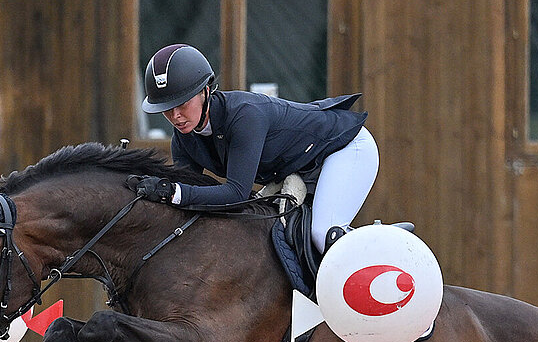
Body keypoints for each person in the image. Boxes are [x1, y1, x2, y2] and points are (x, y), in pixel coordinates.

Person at [132, 43, 379, 254]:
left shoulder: (244, 116)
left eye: (183, 104)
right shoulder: (183, 138)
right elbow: (192, 194)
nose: (175, 116)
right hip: (300, 166)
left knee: (322, 232)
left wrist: (173, 192)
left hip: (345, 148)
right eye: (166, 108)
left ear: (205, 91)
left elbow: (236, 194)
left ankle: (384, 255)